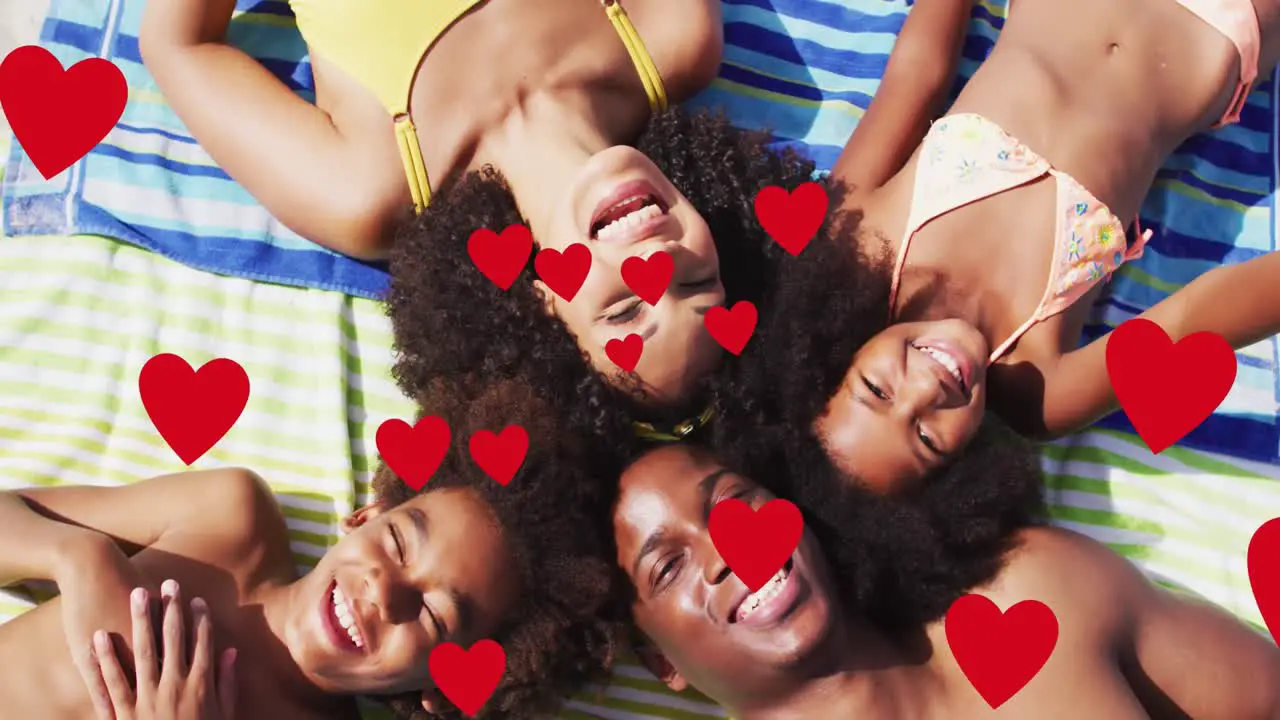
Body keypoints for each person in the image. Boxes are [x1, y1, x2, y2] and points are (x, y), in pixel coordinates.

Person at [712, 0, 1280, 491]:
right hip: (1223, 24)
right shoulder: (1042, 389)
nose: (925, 390)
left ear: (833, 358)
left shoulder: (855, 234)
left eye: (877, 389)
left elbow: (918, 75)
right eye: (928, 440)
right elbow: (1200, 313)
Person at [0, 390, 620, 720]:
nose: (386, 592)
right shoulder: (228, 518)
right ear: (365, 517)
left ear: (446, 690)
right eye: (400, 542)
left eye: (433, 618)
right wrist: (75, 554)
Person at [612, 443, 1280, 719]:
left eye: (734, 503)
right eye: (668, 566)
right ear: (660, 664)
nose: (727, 549)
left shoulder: (1035, 591)